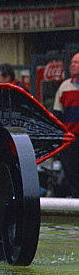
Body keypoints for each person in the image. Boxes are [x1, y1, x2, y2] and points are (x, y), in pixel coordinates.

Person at [53, 52, 79, 197]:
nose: (72, 66)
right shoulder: (64, 87)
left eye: (76, 63)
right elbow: (57, 115)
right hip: (71, 139)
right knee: (72, 172)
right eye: (72, 63)